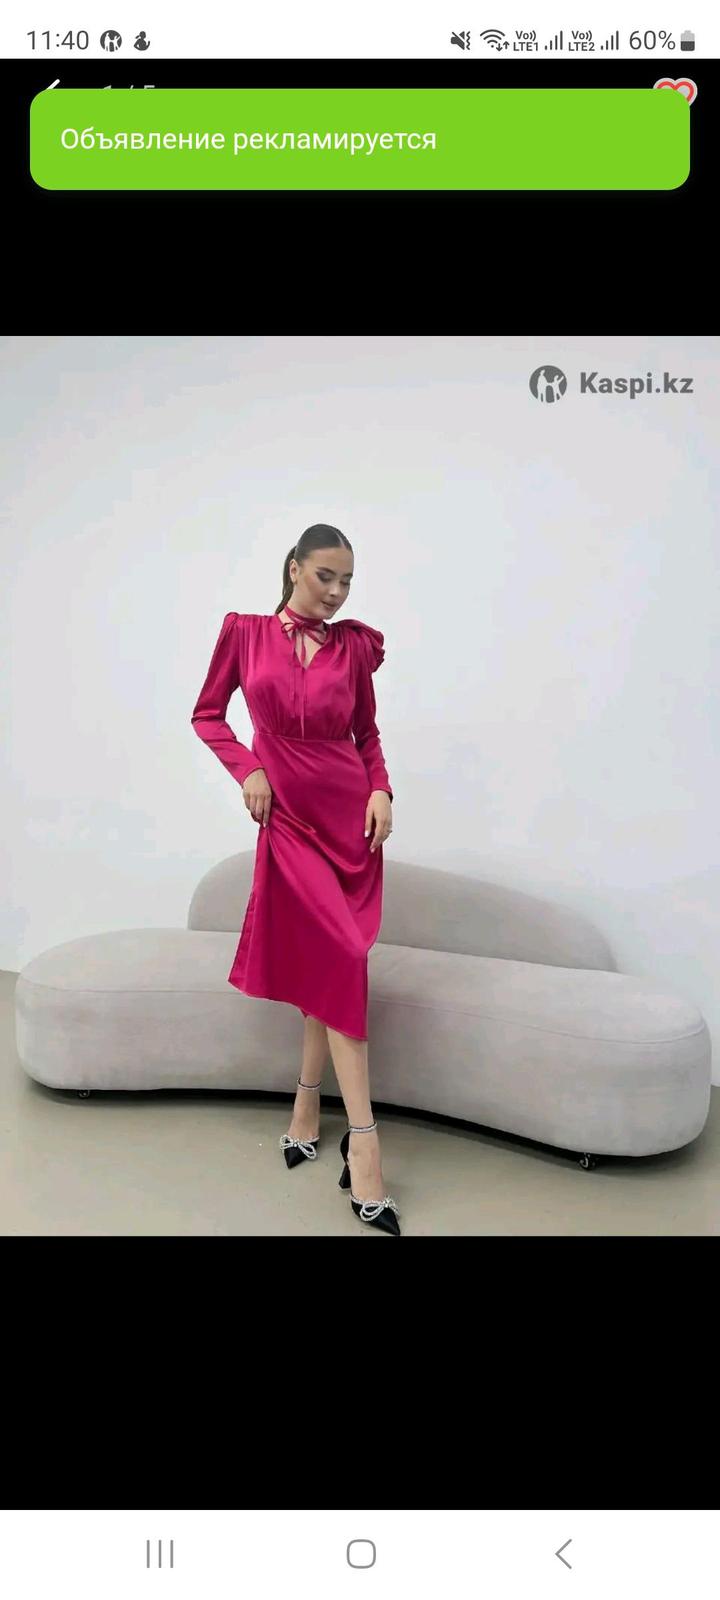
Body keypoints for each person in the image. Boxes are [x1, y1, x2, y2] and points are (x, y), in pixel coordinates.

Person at [191, 522, 401, 1235]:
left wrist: (381, 789)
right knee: (339, 960)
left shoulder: (354, 648)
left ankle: (308, 1103)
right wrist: (249, 768)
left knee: (330, 963)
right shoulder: (245, 634)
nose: (337, 593)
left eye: (347, 581)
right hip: (286, 819)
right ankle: (365, 1146)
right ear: (293, 568)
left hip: (348, 820)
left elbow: (367, 734)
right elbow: (207, 715)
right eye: (325, 577)